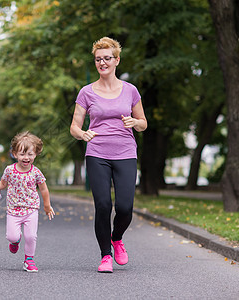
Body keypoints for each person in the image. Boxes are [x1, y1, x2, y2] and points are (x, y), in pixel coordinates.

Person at [70, 37, 147, 273]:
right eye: (98, 59)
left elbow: (144, 123)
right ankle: (105, 256)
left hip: (125, 152)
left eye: (107, 58)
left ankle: (117, 238)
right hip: (97, 153)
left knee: (124, 207)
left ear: (117, 60)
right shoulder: (86, 92)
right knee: (103, 205)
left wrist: (135, 122)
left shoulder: (130, 90)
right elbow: (74, 126)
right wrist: (82, 135)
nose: (102, 62)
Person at [0, 131, 55, 273]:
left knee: (31, 236)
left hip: (31, 209)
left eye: (30, 154)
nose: (26, 157)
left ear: (35, 154)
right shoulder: (9, 170)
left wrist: (47, 206)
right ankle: (15, 241)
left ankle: (29, 260)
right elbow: (3, 184)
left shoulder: (36, 172)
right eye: (22, 154)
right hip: (13, 210)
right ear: (15, 154)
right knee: (12, 236)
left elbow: (44, 190)